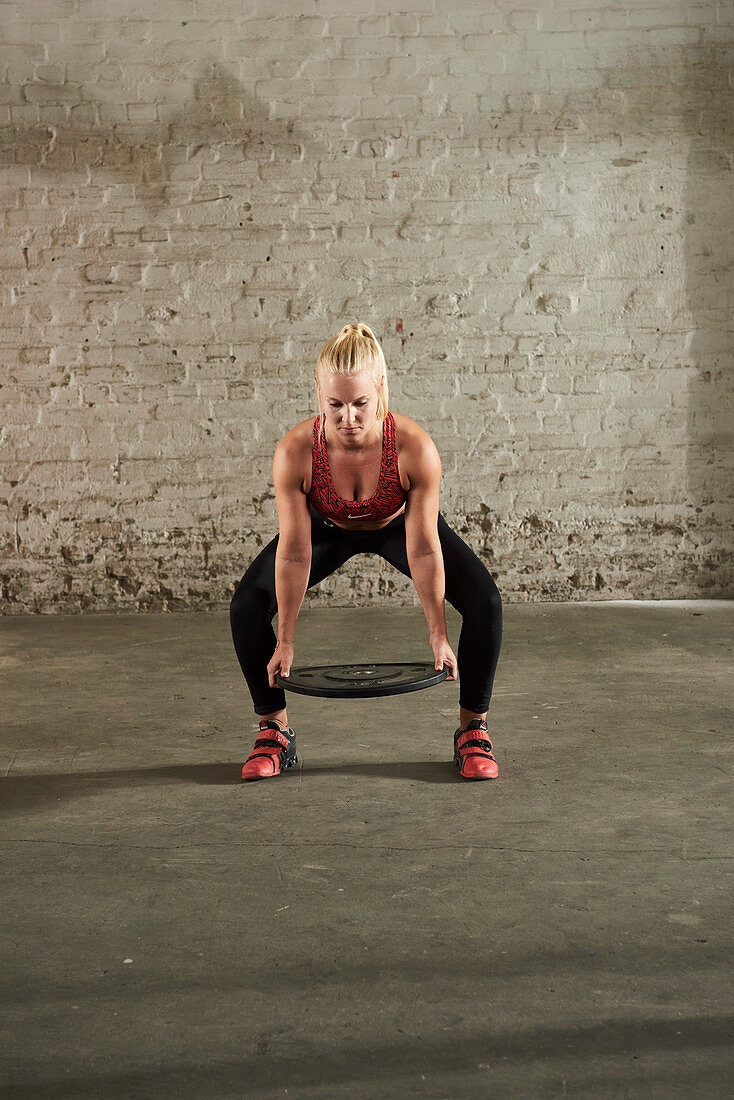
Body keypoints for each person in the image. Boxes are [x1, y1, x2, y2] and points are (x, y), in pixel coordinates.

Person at [229, 322, 503, 782]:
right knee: (245, 607)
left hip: (399, 526)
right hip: (327, 529)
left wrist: (437, 633)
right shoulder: (296, 452)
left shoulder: (414, 448)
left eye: (361, 404)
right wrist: (287, 639)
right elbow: (295, 553)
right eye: (334, 405)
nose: (348, 418)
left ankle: (472, 729)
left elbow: (423, 548)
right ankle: (274, 731)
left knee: (486, 604)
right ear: (317, 392)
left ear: (381, 389)